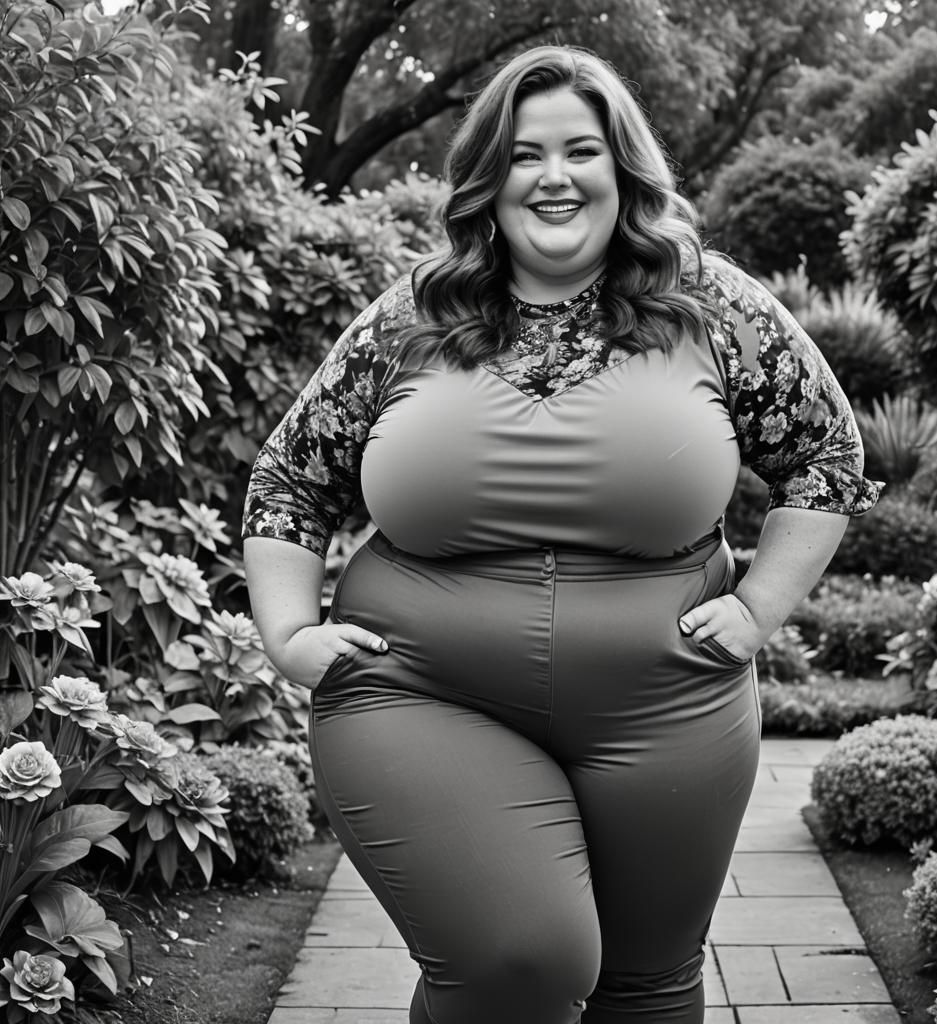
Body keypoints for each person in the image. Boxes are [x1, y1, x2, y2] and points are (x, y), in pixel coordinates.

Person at [242, 44, 879, 1024]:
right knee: (518, 960)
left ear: (621, 169)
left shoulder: (712, 305)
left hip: (664, 705)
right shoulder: (414, 313)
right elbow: (292, 480)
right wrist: (288, 635)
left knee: (646, 983)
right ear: (487, 178)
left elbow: (826, 453)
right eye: (524, 153)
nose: (553, 176)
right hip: (419, 687)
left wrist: (758, 608)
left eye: (579, 150)